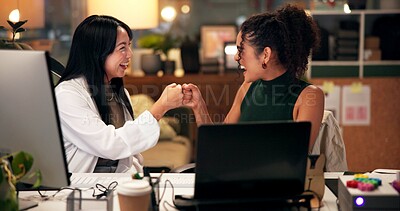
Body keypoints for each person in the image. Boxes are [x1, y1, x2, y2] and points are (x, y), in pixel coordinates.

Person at [183, 4, 325, 151]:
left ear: (265, 55)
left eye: (241, 50)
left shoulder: (310, 96)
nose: (237, 57)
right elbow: (218, 142)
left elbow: (296, 156)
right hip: (238, 172)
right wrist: (198, 106)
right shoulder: (247, 88)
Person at [55, 15, 183, 173]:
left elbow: (130, 154)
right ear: (97, 52)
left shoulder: (117, 93)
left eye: (129, 46)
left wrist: (138, 180)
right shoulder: (67, 95)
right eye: (122, 48)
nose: (129, 54)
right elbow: (110, 145)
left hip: (115, 185)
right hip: (81, 188)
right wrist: (160, 107)